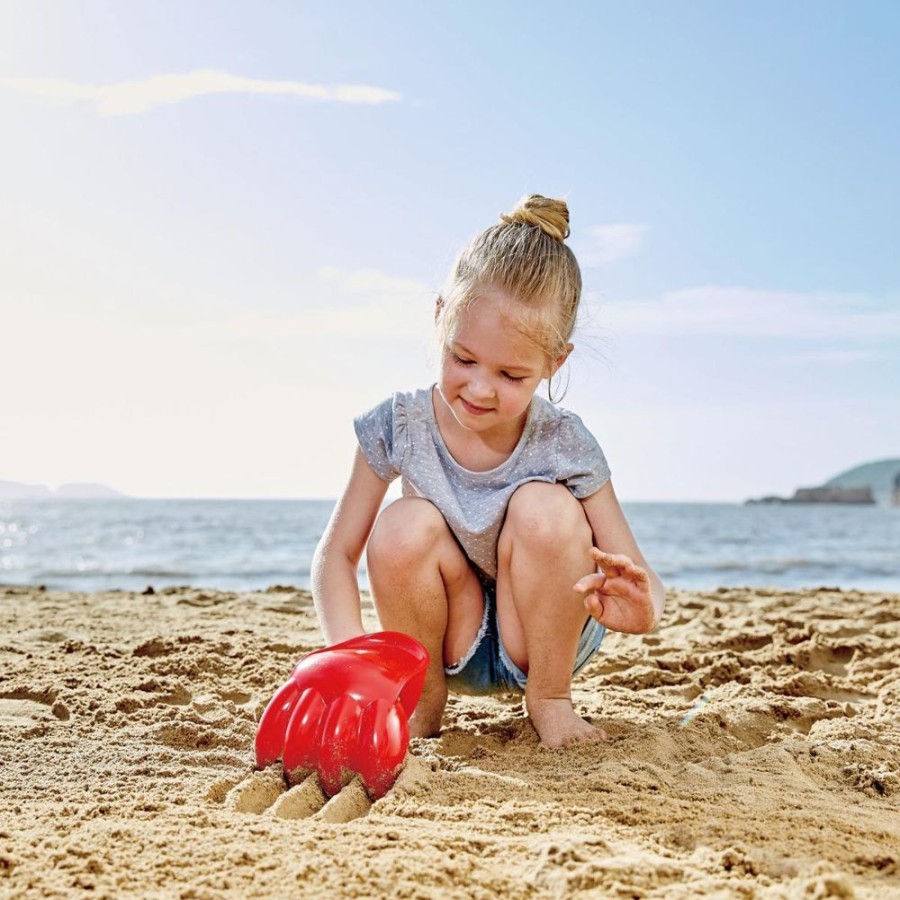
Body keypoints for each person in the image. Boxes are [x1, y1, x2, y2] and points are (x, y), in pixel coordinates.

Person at [311, 194, 665, 748]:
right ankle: (422, 703)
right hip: (450, 637)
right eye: (464, 359)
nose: (478, 389)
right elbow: (336, 555)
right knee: (402, 523)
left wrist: (645, 610)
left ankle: (550, 703)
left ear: (555, 363)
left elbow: (639, 573)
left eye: (510, 374)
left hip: (546, 637)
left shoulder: (564, 441)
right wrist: (351, 655)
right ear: (439, 318)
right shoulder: (399, 425)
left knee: (543, 508)